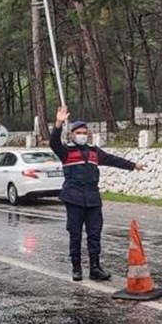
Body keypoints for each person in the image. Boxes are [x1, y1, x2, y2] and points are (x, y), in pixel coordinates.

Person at [49, 106, 145, 281]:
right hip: (74, 198)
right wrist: (58, 124)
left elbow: (113, 160)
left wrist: (133, 165)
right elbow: (53, 142)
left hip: (93, 199)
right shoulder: (66, 152)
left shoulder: (94, 152)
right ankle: (76, 268)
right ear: (72, 135)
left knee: (95, 234)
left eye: (84, 132)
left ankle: (95, 267)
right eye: (78, 132)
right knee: (75, 234)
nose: (82, 135)